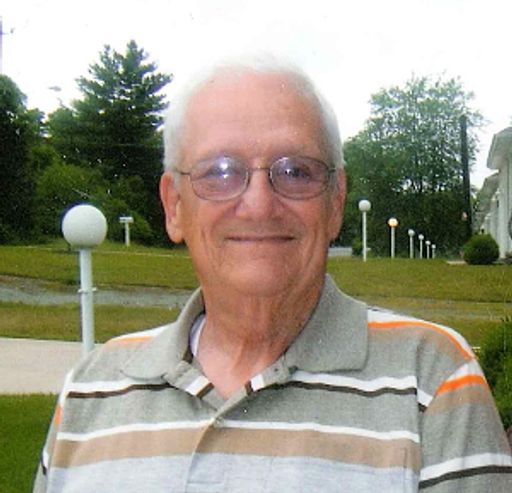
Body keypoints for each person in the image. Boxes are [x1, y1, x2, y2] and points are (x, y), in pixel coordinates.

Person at [34, 55, 512, 493]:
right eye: (220, 171)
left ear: (336, 201)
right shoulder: (90, 391)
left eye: (295, 171)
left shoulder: (432, 381)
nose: (259, 205)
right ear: (174, 206)